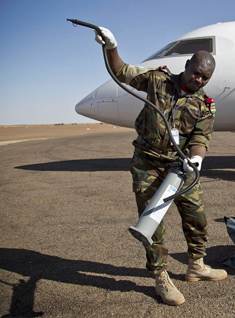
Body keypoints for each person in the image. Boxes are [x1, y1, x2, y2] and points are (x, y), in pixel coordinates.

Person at [95, 27, 227, 306]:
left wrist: (196, 159)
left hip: (181, 167)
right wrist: (111, 48)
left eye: (205, 77)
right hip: (148, 163)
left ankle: (196, 265)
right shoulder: (157, 80)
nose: (199, 80)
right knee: (152, 222)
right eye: (196, 73)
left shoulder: (204, 105)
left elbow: (201, 137)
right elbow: (121, 72)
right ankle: (161, 277)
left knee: (197, 216)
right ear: (187, 64)